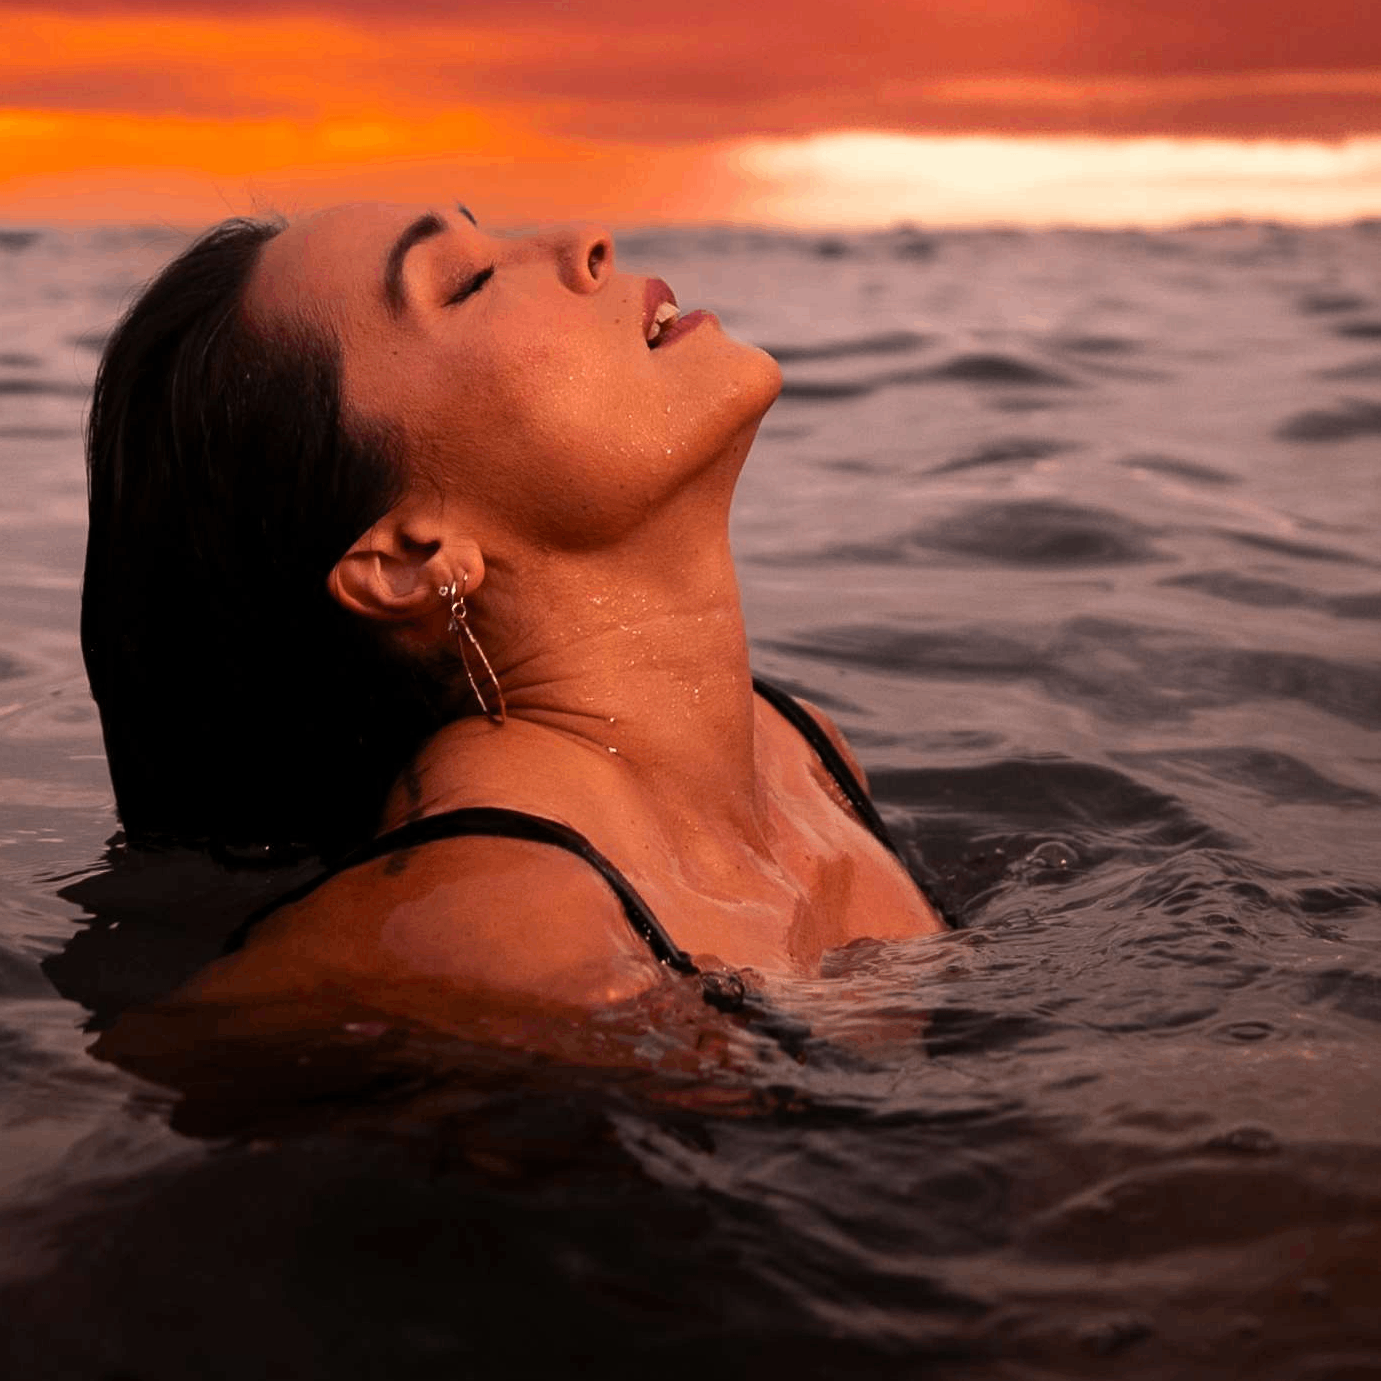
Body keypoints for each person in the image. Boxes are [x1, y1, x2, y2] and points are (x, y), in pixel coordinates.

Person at [78, 204, 947, 1050]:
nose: (584, 238)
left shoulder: (803, 751)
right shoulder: (501, 922)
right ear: (409, 558)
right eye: (466, 281)